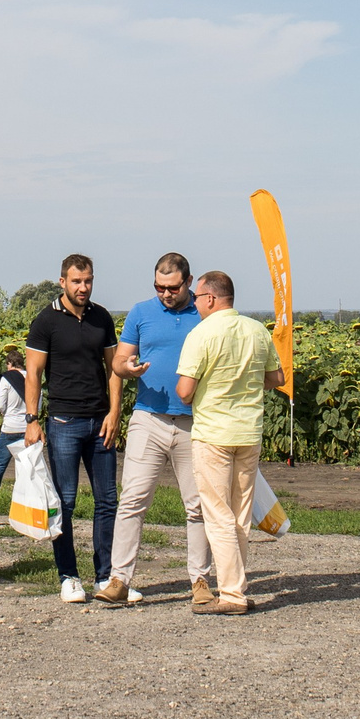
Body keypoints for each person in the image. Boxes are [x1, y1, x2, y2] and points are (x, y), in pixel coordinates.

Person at [102, 252, 213, 606]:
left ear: (189, 282)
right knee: (132, 500)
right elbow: (119, 361)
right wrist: (127, 369)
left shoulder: (205, 314)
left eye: (173, 288)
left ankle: (200, 581)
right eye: (159, 287)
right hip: (148, 419)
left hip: (194, 422)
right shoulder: (140, 313)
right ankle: (119, 579)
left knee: (198, 506)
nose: (166, 294)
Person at [172, 269, 283, 617]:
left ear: (209, 298)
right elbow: (276, 378)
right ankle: (235, 585)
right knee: (240, 513)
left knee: (217, 513)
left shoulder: (201, 334)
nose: (194, 303)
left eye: (197, 297)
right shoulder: (256, 329)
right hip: (249, 433)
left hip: (213, 434)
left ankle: (232, 593)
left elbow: (185, 391)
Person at [23, 253, 120, 604]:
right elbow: (32, 374)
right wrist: (32, 420)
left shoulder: (102, 318)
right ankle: (68, 576)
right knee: (65, 501)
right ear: (62, 281)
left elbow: (114, 369)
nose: (83, 287)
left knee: (107, 500)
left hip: (100, 422)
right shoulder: (45, 321)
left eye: (88, 280)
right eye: (77, 281)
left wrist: (114, 413)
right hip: (63, 422)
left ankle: (105, 576)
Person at [0, 358, 27, 492]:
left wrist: (6, 413)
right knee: (26, 464)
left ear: (10, 363)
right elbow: (37, 404)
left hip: (10, 427)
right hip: (28, 427)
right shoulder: (31, 376)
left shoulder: (7, 378)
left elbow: (0, 405)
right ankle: (24, 495)